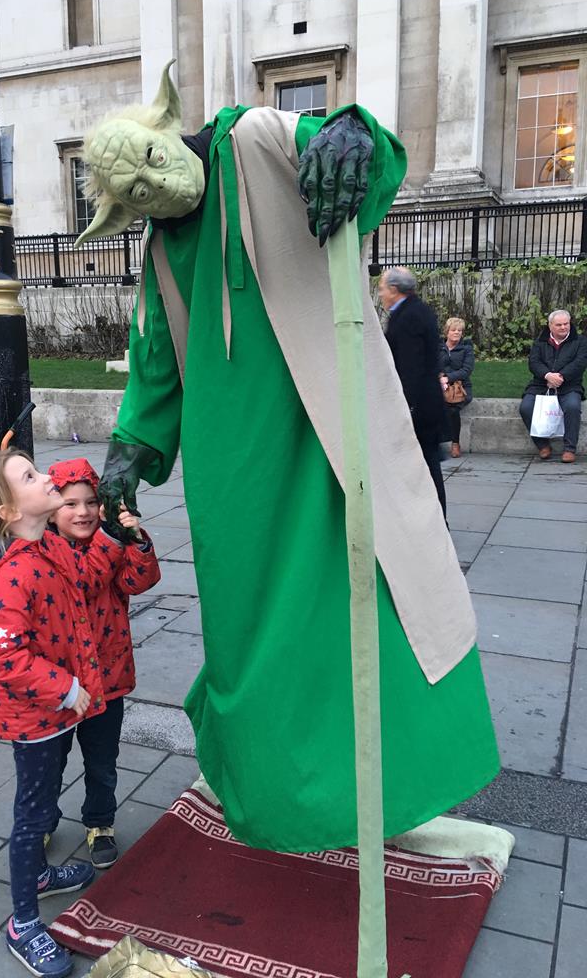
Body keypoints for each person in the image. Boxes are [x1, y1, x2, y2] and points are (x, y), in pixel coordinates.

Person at [69, 64, 498, 854]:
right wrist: (128, 457)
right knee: (249, 641)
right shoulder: (162, 253)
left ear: (168, 135)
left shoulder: (259, 140)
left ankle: (376, 793)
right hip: (234, 475)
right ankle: (277, 797)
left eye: (151, 167)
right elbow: (156, 362)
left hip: (332, 432)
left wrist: (352, 134)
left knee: (374, 611)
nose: (153, 192)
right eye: (133, 194)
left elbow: (370, 174)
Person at [0, 449, 125, 978]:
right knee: (32, 815)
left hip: (60, 709)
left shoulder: (46, 544)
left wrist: (121, 537)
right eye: (30, 476)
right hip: (36, 720)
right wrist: (68, 687)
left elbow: (87, 589)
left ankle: (42, 878)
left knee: (43, 801)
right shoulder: (12, 576)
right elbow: (3, 656)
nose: (46, 477)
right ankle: (24, 922)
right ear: (7, 510)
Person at [47, 457, 160, 869]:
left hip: (106, 680)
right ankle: (43, 820)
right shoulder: (47, 550)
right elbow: (83, 580)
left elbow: (138, 581)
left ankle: (100, 823)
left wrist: (136, 539)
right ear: (50, 510)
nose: (83, 512)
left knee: (102, 761)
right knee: (50, 763)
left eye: (92, 502)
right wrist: (111, 539)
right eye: (70, 504)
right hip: (58, 684)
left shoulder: (109, 541)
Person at [380, 266, 447, 518]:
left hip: (418, 405)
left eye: (383, 289)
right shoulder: (417, 310)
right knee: (426, 464)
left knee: (426, 466)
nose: (381, 295)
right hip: (425, 401)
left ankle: (435, 520)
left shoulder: (408, 317)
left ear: (395, 290)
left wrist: (406, 406)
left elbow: (410, 366)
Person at [519, 309, 587, 463]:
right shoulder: (540, 341)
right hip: (540, 383)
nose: (563, 327)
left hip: (569, 384)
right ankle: (543, 445)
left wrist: (560, 377)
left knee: (572, 407)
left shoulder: (581, 341)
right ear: (550, 326)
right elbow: (534, 363)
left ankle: (570, 449)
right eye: (559, 325)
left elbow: (580, 363)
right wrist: (547, 375)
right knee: (526, 408)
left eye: (566, 324)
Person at [438, 316, 475, 458]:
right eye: (453, 330)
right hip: (439, 385)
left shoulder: (466, 349)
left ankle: (455, 443)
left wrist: (448, 378)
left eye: (459, 330)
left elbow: (466, 370)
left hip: (461, 388)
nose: (457, 333)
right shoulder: (438, 347)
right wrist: (439, 377)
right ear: (447, 331)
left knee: (452, 410)